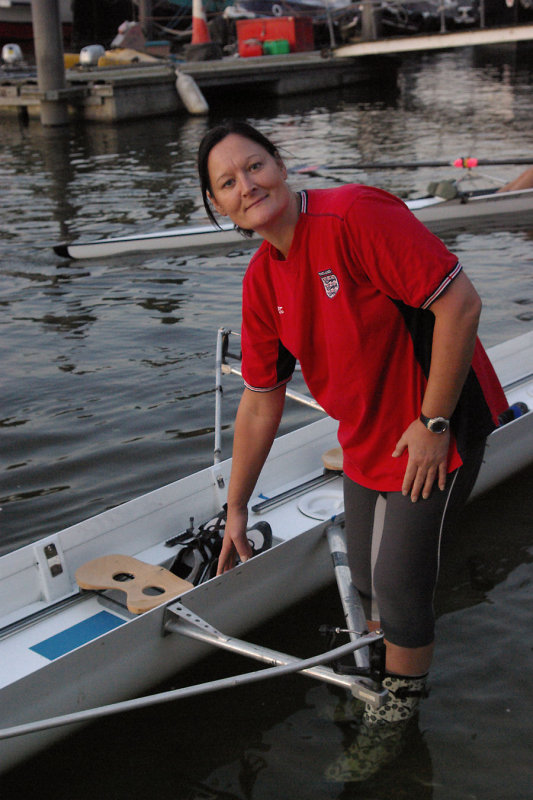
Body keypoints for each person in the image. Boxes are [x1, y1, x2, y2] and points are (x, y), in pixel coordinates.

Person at [197, 120, 509, 731]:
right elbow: (261, 401)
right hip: (367, 436)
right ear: (218, 205)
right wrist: (235, 509)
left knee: (399, 588)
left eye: (254, 166)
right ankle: (382, 671)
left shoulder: (354, 215)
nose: (247, 185)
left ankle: (398, 719)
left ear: (280, 165)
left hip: (435, 423)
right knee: (363, 582)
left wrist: (434, 422)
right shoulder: (262, 279)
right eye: (228, 182)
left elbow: (461, 304)